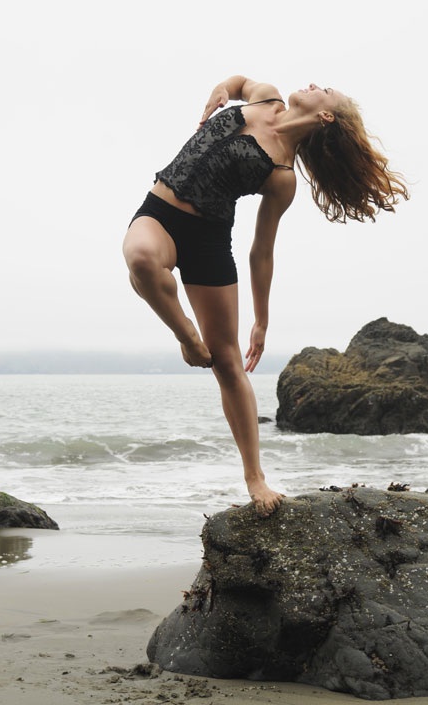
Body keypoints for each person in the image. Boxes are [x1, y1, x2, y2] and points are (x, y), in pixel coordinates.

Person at [122, 76, 409, 516]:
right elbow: (237, 82)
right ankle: (185, 336)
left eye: (325, 89)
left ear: (326, 115)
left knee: (229, 365)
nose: (314, 82)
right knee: (141, 259)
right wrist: (220, 90)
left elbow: (261, 251)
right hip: (159, 210)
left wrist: (262, 319)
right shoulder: (266, 95)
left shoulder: (281, 175)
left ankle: (255, 477)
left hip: (209, 243)